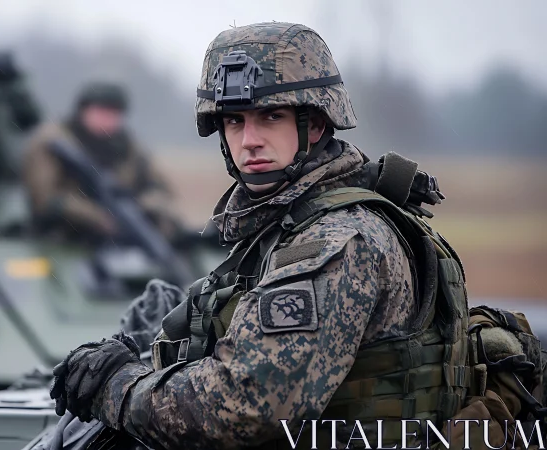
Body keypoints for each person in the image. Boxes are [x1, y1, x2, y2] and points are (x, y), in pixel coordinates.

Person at [45, 23, 496, 449]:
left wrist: (118, 387)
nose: (250, 141)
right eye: (235, 121)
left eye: (271, 117)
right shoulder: (294, 218)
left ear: (315, 125)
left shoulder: (334, 243)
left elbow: (244, 407)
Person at [22, 81, 184, 247]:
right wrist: (99, 218)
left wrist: (143, 208)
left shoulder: (128, 146)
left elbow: (160, 189)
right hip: (63, 235)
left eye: (114, 114)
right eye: (100, 112)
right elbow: (46, 199)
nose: (107, 119)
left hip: (119, 235)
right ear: (83, 111)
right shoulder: (52, 141)